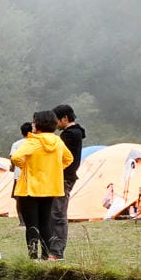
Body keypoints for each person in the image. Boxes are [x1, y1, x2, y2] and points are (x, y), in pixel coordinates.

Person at [10, 110, 73, 261]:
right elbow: (68, 158)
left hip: (29, 189)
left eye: (33, 121)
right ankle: (45, 256)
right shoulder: (58, 141)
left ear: (38, 124)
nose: (32, 124)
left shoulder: (34, 141)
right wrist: (52, 169)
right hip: (50, 188)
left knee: (32, 225)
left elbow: (16, 157)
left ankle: (33, 256)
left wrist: (25, 166)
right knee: (45, 223)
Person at [51, 104, 85, 258]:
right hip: (65, 177)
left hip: (64, 177)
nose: (55, 124)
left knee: (58, 213)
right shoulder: (75, 133)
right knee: (56, 212)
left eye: (56, 120)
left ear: (65, 118)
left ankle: (57, 252)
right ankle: (54, 249)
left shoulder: (69, 135)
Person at [10, 122, 32, 236]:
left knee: (19, 198)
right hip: (33, 175)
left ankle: (22, 221)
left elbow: (13, 158)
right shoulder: (34, 143)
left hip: (19, 175)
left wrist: (12, 168)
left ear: (21, 132)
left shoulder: (16, 144)